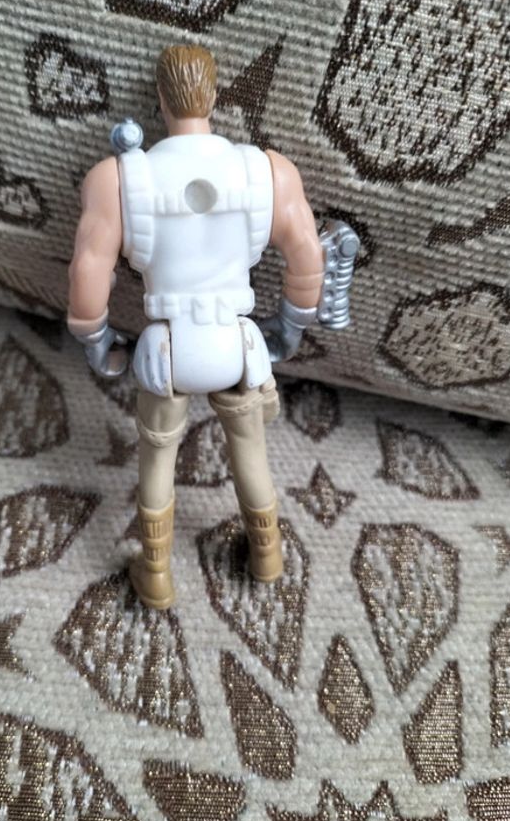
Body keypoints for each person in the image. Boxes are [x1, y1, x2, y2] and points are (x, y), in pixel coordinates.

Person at [68, 45, 326, 610]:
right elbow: (307, 256)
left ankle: (155, 571)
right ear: (213, 96)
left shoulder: (118, 179)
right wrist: (291, 326)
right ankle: (267, 554)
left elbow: (88, 274)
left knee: (157, 458)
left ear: (161, 100)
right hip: (237, 343)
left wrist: (98, 342)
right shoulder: (266, 172)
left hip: (168, 348)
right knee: (250, 454)